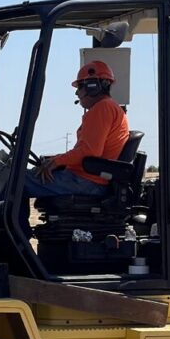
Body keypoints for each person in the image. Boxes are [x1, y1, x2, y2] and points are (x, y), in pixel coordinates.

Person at [21, 60, 130, 224]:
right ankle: (17, 232)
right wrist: (55, 160)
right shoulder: (109, 108)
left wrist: (56, 162)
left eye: (79, 87)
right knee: (19, 180)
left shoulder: (103, 108)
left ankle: (11, 234)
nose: (77, 93)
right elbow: (86, 151)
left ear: (93, 86)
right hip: (88, 178)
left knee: (15, 181)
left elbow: (90, 152)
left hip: (87, 181)